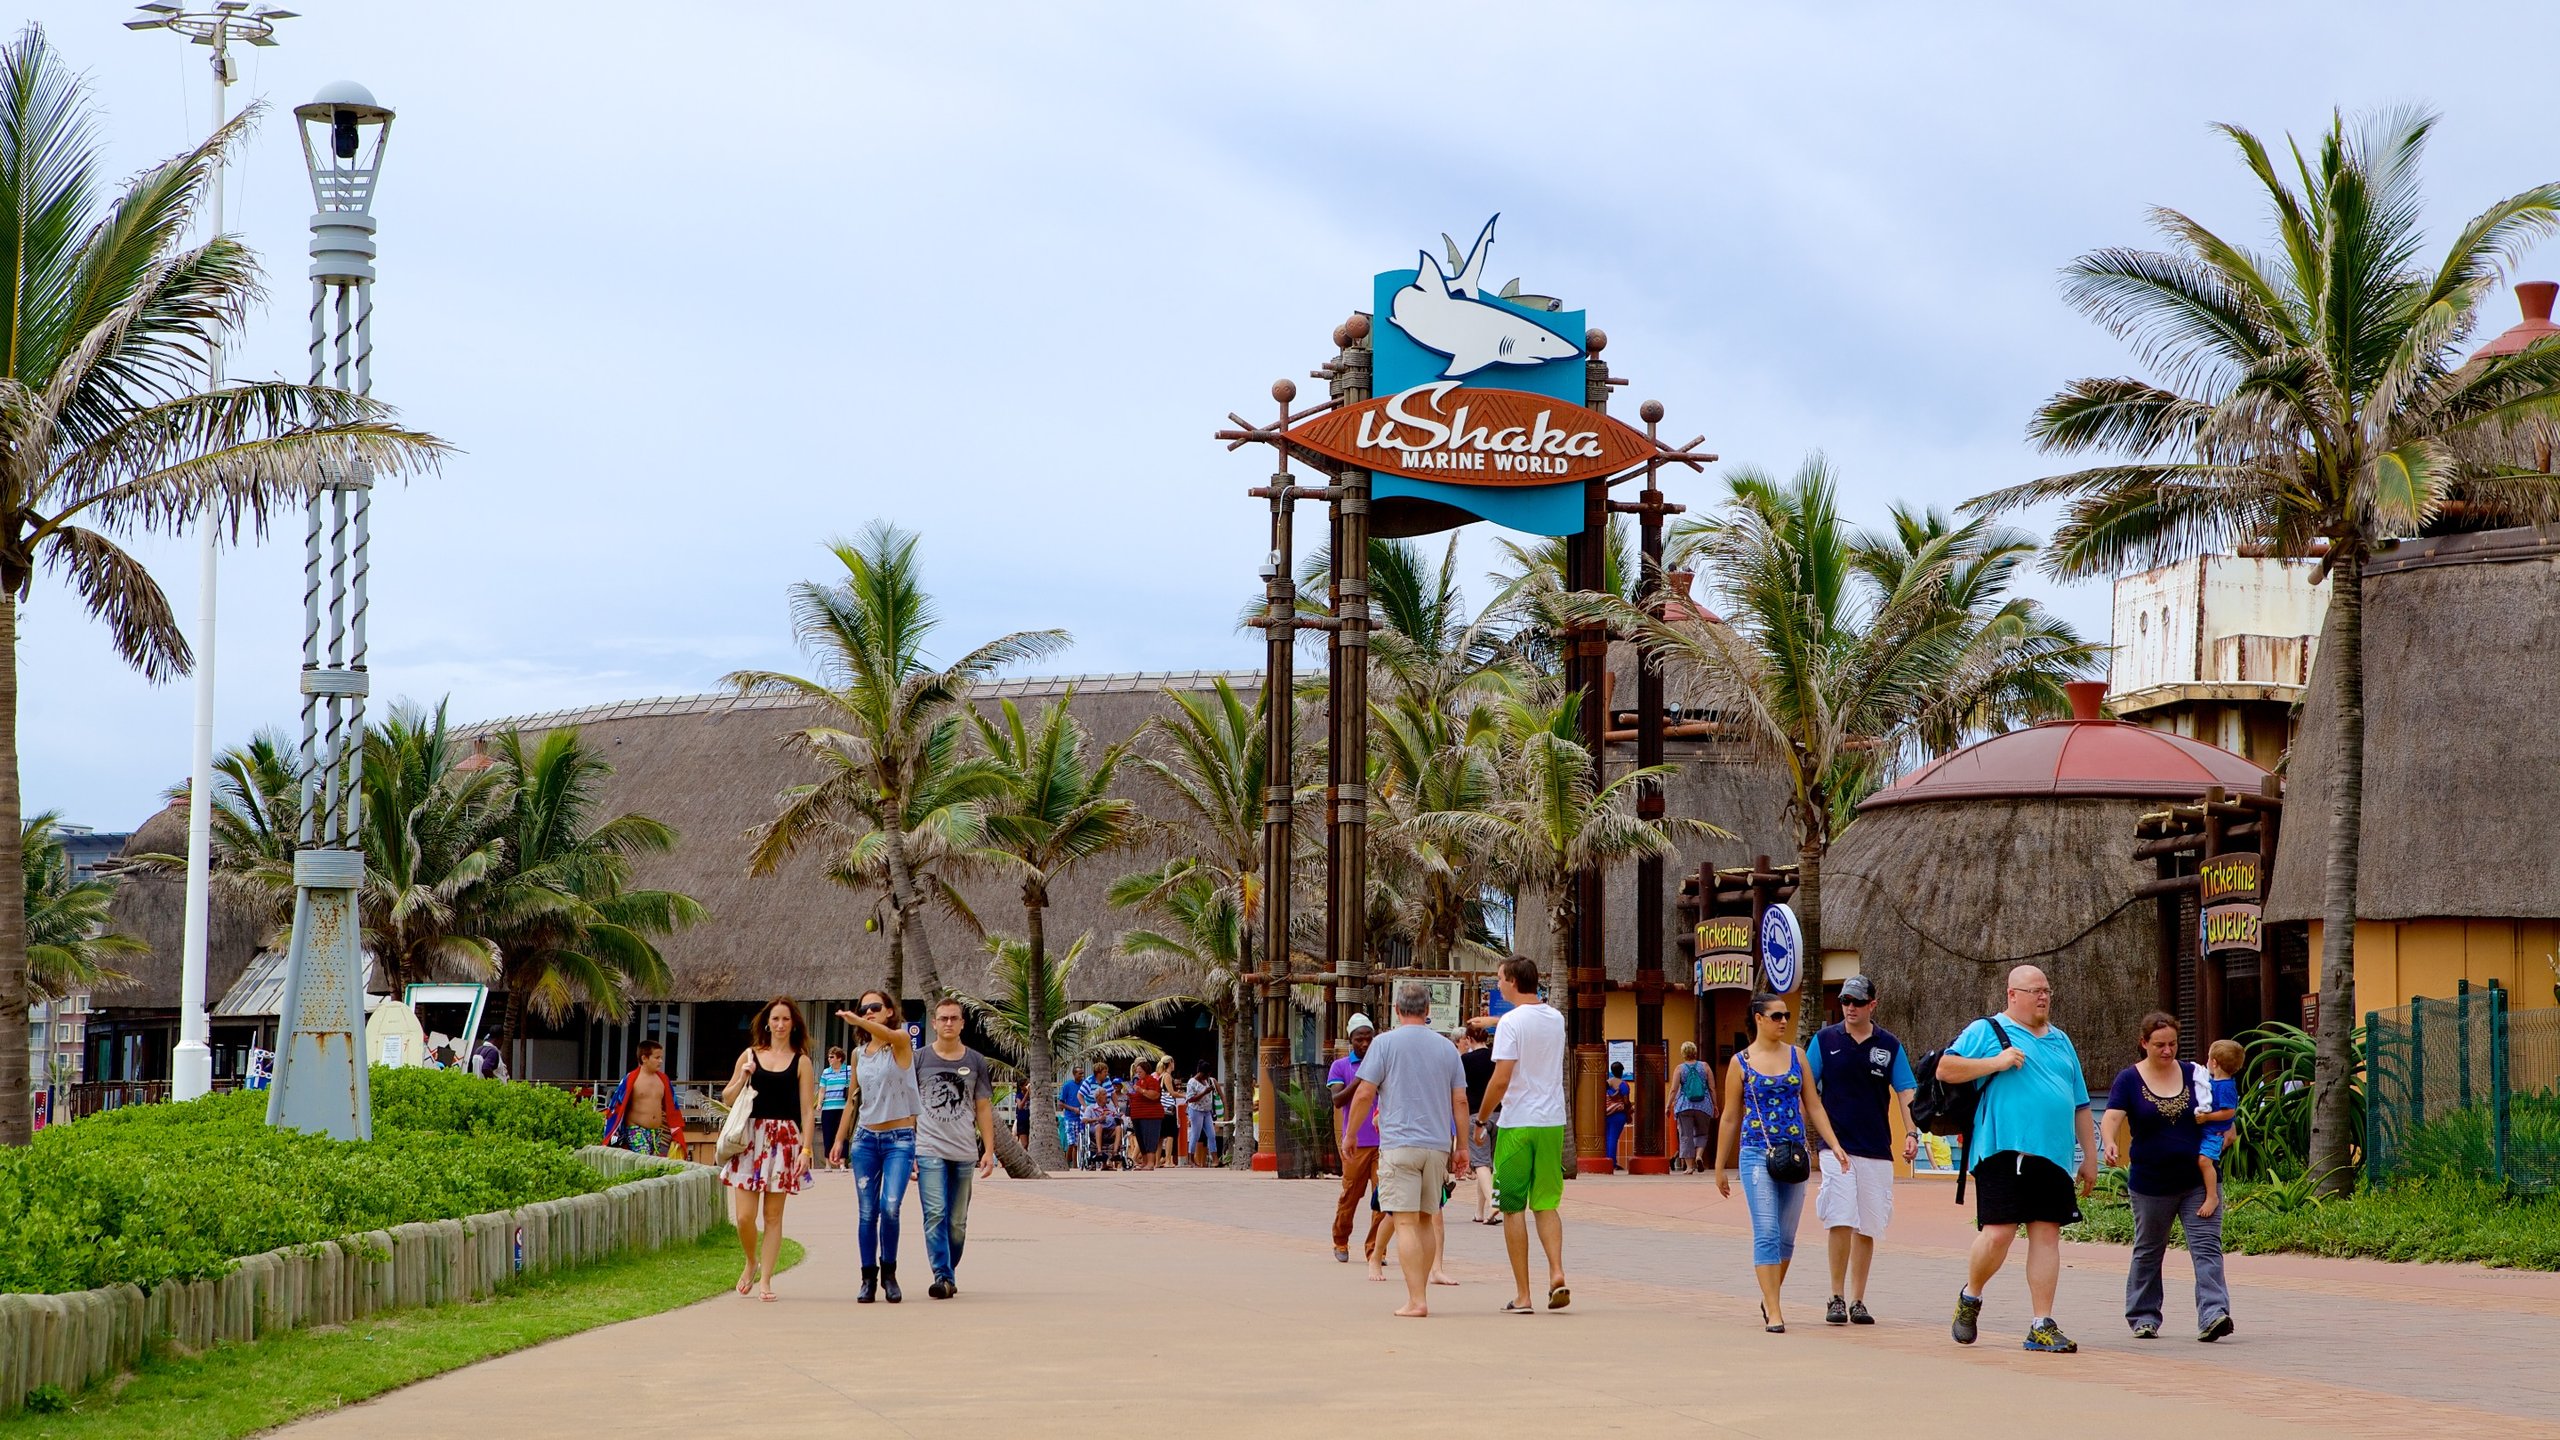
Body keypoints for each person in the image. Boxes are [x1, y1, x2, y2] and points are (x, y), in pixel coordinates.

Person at [1935, 964, 2098, 1354]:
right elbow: (1945, 1068)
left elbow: (2079, 1103)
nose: (2043, 997)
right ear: (2012, 995)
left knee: (2046, 1235)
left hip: (2053, 1157)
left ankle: (2041, 1323)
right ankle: (1970, 1296)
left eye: (2046, 990)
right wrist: (1997, 1062)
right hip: (2003, 1150)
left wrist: (2089, 1157)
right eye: (2034, 990)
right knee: (1999, 1234)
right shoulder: (1988, 1030)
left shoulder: (2061, 1040)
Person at [1715, 993, 1848, 1333]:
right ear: (1758, 1019)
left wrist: (1834, 1145)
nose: (1784, 1021)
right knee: (1767, 1231)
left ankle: (1768, 1294)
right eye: (1776, 1016)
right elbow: (1730, 1117)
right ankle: (1774, 1310)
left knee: (1787, 1237)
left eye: (1786, 1015)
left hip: (1795, 1154)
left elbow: (1814, 1105)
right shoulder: (1740, 1062)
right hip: (1756, 1152)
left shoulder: (1797, 1056)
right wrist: (1718, 1167)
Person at [1340, 982, 1472, 1318]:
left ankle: (1417, 1300)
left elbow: (1364, 1094)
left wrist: (1351, 1134)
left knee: (1405, 1222)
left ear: (1397, 1011)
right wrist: (1462, 1148)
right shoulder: (1446, 1049)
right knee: (1426, 1220)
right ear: (1427, 1011)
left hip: (1399, 1145)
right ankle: (1421, 1292)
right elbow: (1460, 1100)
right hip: (1437, 1147)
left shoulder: (1384, 1044)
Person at [2102, 1013, 2236, 1343]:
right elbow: (2112, 1116)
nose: (2167, 1051)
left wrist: (2225, 1133)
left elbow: (2223, 1113)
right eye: (2159, 1045)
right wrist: (2107, 1142)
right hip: (2151, 1183)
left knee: (2207, 1248)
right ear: (2144, 1043)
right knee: (2149, 1250)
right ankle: (2143, 1316)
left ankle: (2214, 1314)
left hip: (2199, 1182)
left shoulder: (2196, 1074)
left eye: (2172, 1044)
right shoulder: (2129, 1080)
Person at [1808, 974, 1919, 1326]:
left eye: (1857, 1001)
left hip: (1875, 1147)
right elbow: (1807, 1089)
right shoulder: (1825, 1040)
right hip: (1835, 1145)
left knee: (1868, 1225)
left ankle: (1858, 1299)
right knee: (1840, 1216)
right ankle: (1836, 1296)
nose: (1850, 1008)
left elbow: (1905, 1091)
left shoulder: (1889, 1045)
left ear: (1873, 1003)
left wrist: (1912, 1132)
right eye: (1845, 1001)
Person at [1476, 956, 1571, 1313]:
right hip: (1552, 1122)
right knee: (1546, 1202)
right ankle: (1557, 1272)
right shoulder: (1555, 1018)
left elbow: (1501, 1078)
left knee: (1513, 1207)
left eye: (1500, 979)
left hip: (1518, 1122)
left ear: (1513, 981)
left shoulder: (1511, 1024)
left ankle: (1523, 1294)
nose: (1498, 984)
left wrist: (1482, 1119)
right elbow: (1530, 1020)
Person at [718, 997, 816, 1302]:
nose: (781, 1024)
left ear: (794, 1024)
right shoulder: (750, 1055)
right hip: (750, 1138)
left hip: (784, 1139)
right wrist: (745, 1075)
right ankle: (751, 1261)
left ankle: (767, 1280)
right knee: (745, 1217)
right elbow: (728, 1096)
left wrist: (806, 1149)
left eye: (786, 1019)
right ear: (766, 1023)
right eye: (775, 1019)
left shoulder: (801, 1061)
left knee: (773, 1217)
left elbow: (807, 1110)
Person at [829, 990, 920, 1304]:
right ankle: (867, 1277)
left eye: (874, 1008)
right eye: (862, 1009)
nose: (868, 1012)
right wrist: (840, 1139)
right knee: (867, 1212)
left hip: (899, 1140)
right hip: (866, 1140)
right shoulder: (858, 1054)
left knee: (890, 1207)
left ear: (889, 1011)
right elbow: (853, 1100)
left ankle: (889, 1273)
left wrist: (856, 1020)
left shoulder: (901, 1043)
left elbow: (893, 1036)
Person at [914, 997, 998, 1300]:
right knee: (935, 1213)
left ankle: (947, 1272)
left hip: (964, 1150)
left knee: (957, 1222)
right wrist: (910, 1149)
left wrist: (989, 1150)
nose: (948, 1023)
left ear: (962, 1023)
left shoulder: (974, 1061)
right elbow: (910, 1108)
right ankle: (942, 1275)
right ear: (933, 1023)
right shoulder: (919, 1059)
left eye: (954, 1018)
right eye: (943, 1018)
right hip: (928, 1147)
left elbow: (983, 1107)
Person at [1327, 1016, 1387, 1264]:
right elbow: (1338, 1100)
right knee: (1350, 1195)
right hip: (1356, 1143)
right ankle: (1340, 1240)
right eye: (1359, 1039)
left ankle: (1376, 1248)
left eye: (1368, 1038)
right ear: (1350, 1040)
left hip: (1383, 1142)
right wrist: (1362, 1078)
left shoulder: (1383, 1064)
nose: (1364, 1043)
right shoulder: (1340, 1066)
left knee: (1382, 1197)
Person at [602, 1039, 685, 1160]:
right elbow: (616, 1107)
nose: (660, 1061)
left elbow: (673, 1108)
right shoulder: (630, 1079)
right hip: (636, 1131)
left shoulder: (663, 1080)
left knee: (656, 1167)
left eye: (661, 1057)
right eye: (657, 1058)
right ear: (644, 1058)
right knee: (645, 1163)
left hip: (656, 1132)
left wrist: (676, 1133)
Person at [2196, 1038, 2243, 1219]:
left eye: (2208, 1058)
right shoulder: (2212, 1081)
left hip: (2214, 1134)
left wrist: (2207, 1117)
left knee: (2204, 1161)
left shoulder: (2226, 1087)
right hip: (2206, 1131)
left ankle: (2212, 1196)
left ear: (2214, 1063)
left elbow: (2229, 1112)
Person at [1458, 1024, 1497, 1223]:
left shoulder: (1465, 1060)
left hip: (1476, 1115)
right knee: (1489, 1166)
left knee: (1480, 1163)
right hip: (1498, 1114)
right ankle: (1479, 1211)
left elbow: (1460, 1090)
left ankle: (1493, 1203)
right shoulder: (1496, 1058)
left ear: (1469, 1039)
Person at [1668, 1041, 1716, 1176]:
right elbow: (1712, 1088)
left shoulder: (1679, 1069)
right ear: (1695, 1052)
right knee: (1702, 1133)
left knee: (1685, 1135)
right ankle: (1699, 1155)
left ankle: (1689, 1167)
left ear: (1683, 1053)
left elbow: (1673, 1089)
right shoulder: (1705, 1066)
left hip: (1684, 1106)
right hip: (1704, 1105)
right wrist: (1715, 1105)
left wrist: (1668, 1105)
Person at [817, 1045, 853, 1169]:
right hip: (828, 1107)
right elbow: (822, 1089)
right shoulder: (826, 1072)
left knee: (843, 1135)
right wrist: (819, 1103)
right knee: (828, 1135)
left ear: (839, 1058)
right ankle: (828, 1163)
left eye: (832, 1057)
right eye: (828, 1057)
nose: (829, 1059)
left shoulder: (848, 1070)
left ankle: (842, 1162)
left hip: (843, 1107)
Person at [1129, 1057, 1168, 1171]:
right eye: (1137, 1072)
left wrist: (1141, 1091)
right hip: (1137, 1114)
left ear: (1146, 1071)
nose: (1138, 1073)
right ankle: (1145, 1162)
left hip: (1150, 1115)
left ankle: (1150, 1162)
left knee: (1149, 1138)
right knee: (1141, 1139)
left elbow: (1155, 1095)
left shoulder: (1151, 1081)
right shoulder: (1138, 1082)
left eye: (1140, 1071)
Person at [1184, 1065, 1220, 1165]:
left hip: (1207, 1111)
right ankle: (1190, 1158)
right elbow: (1190, 1099)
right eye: (1207, 1074)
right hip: (1196, 1110)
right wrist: (1204, 1092)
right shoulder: (1192, 1082)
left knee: (1212, 1135)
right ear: (1201, 1073)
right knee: (1195, 1134)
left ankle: (1215, 1159)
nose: (1208, 1077)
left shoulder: (1207, 1081)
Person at [1603, 1061, 1632, 1171]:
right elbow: (1626, 1102)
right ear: (1621, 1071)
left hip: (1606, 1113)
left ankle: (1607, 1160)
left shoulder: (1606, 1083)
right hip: (1618, 1114)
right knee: (1613, 1138)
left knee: (1607, 1137)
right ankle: (1612, 1162)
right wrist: (1629, 1111)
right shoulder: (1623, 1085)